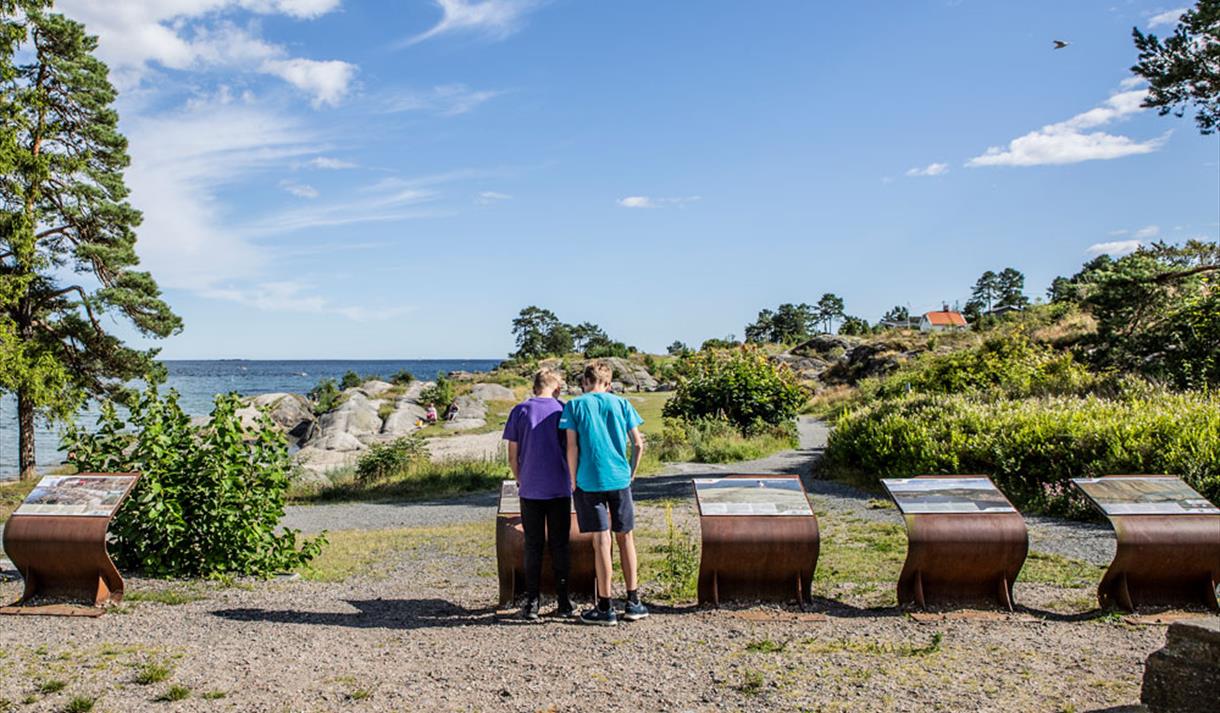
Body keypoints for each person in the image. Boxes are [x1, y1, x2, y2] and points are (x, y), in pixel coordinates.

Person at [560, 361, 648, 625]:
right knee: (626, 538)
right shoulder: (621, 404)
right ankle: (633, 601)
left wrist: (572, 478)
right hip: (619, 478)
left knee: (601, 542)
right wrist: (631, 472)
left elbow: (572, 447)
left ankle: (605, 605)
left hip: (590, 479)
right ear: (608, 383)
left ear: (585, 382)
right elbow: (638, 443)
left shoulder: (575, 406)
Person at [502, 368, 574, 620]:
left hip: (530, 488)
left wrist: (520, 477)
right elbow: (572, 449)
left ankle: (532, 602)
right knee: (560, 545)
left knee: (533, 545)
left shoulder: (520, 411)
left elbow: (512, 454)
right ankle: (564, 600)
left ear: (534, 387)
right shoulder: (563, 409)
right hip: (560, 487)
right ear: (556, 387)